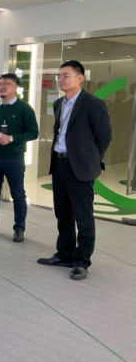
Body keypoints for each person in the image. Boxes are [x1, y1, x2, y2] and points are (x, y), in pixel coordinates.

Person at [37, 60, 112, 281]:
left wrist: (91, 160)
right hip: (60, 163)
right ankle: (64, 253)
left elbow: (104, 137)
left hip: (81, 166)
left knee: (83, 216)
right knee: (63, 213)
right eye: (59, 76)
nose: (60, 79)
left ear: (80, 78)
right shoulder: (58, 104)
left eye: (65, 75)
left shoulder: (93, 104)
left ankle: (81, 261)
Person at [0, 73, 38, 242]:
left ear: (16, 87)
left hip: (14, 159)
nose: (1, 87)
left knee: (18, 194)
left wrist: (10, 138)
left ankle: (19, 228)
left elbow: (33, 132)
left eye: (6, 84)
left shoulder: (25, 108)